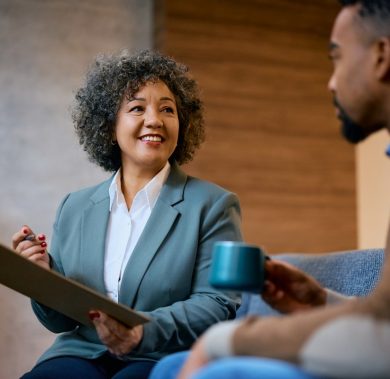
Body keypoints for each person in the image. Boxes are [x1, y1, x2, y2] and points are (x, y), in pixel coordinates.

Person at [149, 0, 390, 378]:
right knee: (171, 366)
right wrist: (320, 300)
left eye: (336, 57)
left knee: (216, 370)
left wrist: (224, 341)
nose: (330, 81)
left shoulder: (211, 203)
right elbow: (384, 319)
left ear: (382, 55)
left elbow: (382, 335)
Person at [11, 50, 243, 379]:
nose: (155, 120)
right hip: (81, 351)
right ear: (109, 126)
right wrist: (39, 277)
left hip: (161, 355)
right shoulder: (74, 207)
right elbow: (60, 321)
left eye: (167, 109)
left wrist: (142, 332)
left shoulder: (214, 205)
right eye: (137, 108)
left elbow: (217, 304)